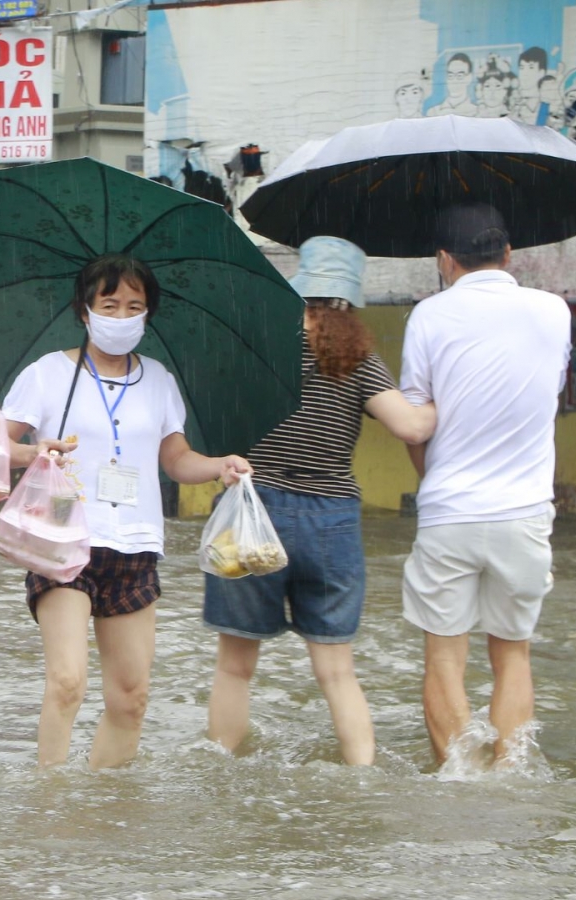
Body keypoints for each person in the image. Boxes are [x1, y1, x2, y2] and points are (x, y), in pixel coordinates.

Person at [2, 253, 251, 770]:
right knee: (67, 681)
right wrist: (34, 452)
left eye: (134, 306)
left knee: (131, 697)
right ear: (84, 310)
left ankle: (105, 803)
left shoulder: (158, 379)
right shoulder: (47, 374)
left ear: (148, 314)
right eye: (109, 304)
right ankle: (50, 800)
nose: (122, 316)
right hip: (63, 538)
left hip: (136, 545)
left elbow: (176, 459)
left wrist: (220, 466)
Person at [201, 237, 435, 766]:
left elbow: (212, 417)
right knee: (337, 672)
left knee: (234, 667)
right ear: (350, 301)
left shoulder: (256, 345)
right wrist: (450, 397)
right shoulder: (356, 359)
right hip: (329, 520)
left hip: (251, 510)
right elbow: (410, 426)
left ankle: (218, 779)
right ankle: (362, 777)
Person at [399, 205, 570, 768]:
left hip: (449, 511)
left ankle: (460, 782)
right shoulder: (554, 310)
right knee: (513, 656)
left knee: (444, 659)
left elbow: (415, 422)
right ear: (508, 254)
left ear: (444, 260)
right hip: (524, 512)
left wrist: (435, 481)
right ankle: (509, 777)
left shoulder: (427, 315)